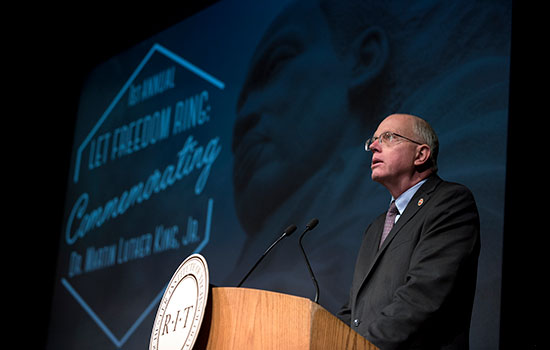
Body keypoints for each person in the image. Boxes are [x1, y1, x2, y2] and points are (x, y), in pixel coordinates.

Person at [338, 113, 480, 349]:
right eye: (373, 140)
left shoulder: (450, 202)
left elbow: (422, 296)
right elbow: (353, 309)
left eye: (388, 137)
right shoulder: (375, 228)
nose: (373, 146)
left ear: (421, 154)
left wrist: (360, 347)